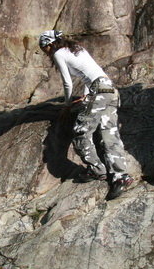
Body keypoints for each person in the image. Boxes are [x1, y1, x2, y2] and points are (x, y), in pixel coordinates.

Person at [39, 29, 133, 200]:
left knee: (81, 131)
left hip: (99, 91)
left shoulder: (59, 53)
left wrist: (67, 106)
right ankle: (121, 176)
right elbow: (89, 74)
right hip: (110, 90)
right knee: (109, 134)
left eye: (44, 49)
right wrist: (86, 94)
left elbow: (67, 82)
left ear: (49, 44)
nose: (45, 53)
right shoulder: (76, 48)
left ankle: (97, 170)